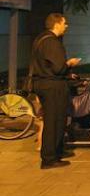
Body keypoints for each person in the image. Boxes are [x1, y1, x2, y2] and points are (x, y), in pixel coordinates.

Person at [31, 13, 81, 169]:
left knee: (52, 120)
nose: (66, 26)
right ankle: (49, 158)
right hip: (53, 87)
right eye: (64, 23)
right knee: (55, 122)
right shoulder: (52, 42)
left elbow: (46, 65)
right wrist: (70, 64)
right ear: (57, 24)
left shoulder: (40, 39)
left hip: (42, 83)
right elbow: (58, 68)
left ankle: (55, 152)